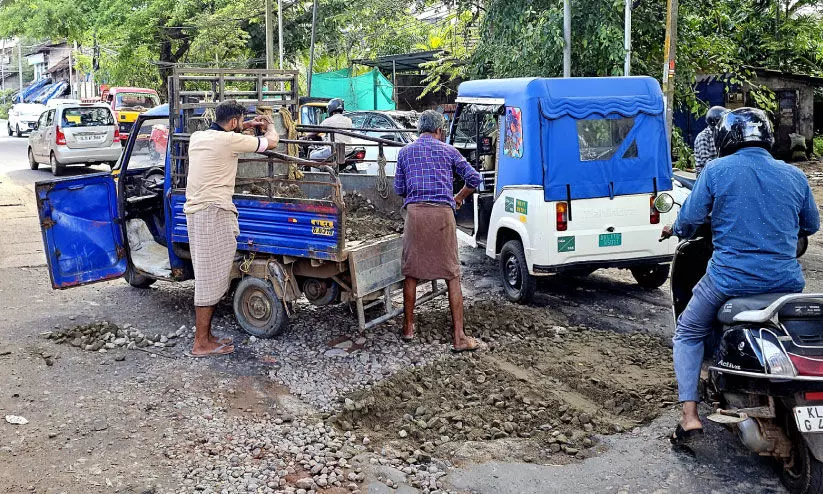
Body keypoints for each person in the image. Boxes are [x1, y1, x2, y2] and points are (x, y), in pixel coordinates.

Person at [661, 107, 819, 443]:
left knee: (688, 332)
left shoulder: (717, 170)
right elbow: (811, 225)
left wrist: (673, 228)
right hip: (786, 282)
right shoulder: (794, 175)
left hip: (729, 280)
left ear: (725, 138)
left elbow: (689, 221)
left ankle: (689, 416)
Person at [184, 100, 280, 357]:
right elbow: (271, 143)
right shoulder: (229, 142)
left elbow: (226, 133)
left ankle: (206, 337)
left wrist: (246, 124)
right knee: (210, 278)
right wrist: (270, 126)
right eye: (240, 122)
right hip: (213, 212)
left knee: (210, 275)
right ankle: (200, 343)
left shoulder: (198, 137)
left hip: (199, 212)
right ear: (234, 123)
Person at [393, 109, 483, 352]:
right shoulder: (449, 151)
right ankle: (458, 337)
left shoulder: (404, 153)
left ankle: (408, 328)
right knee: (452, 275)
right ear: (440, 131)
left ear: (419, 129)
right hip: (442, 216)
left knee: (411, 273)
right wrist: (458, 197)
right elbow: (475, 179)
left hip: (416, 216)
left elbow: (399, 188)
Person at [693, 106, 726, 176]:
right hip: (704, 175)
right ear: (715, 122)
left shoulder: (721, 135)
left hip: (718, 172)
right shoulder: (703, 137)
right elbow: (706, 162)